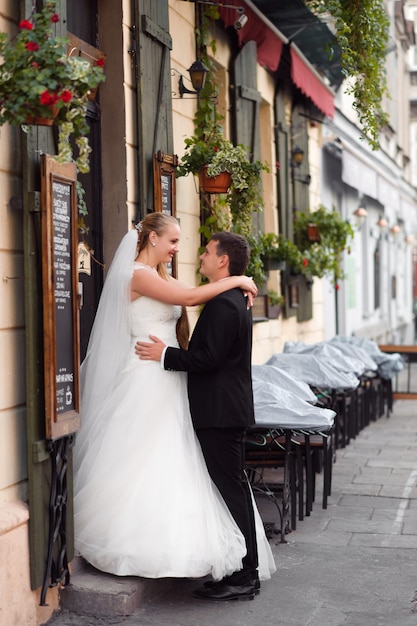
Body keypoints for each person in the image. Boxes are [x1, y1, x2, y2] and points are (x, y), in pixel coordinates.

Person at [73, 212, 264, 586]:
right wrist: (240, 280)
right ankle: (137, 542)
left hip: (173, 378)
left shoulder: (161, 276)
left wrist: (234, 287)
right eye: (174, 241)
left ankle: (220, 558)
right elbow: (192, 297)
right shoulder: (138, 274)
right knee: (143, 457)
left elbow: (192, 297)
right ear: (153, 239)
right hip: (148, 373)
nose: (179, 248)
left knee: (178, 460)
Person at [136, 231, 276, 602]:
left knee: (231, 489)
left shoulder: (225, 304)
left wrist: (165, 354)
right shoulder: (232, 299)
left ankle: (246, 576)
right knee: (230, 487)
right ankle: (240, 570)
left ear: (223, 261)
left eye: (207, 252)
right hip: (224, 409)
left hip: (220, 412)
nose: (200, 256)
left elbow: (207, 359)